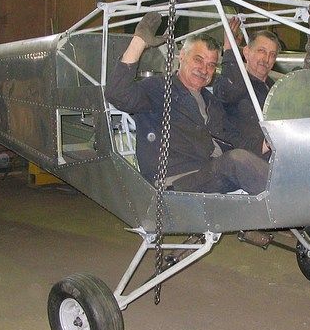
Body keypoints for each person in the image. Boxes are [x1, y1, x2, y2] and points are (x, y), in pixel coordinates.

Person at [104, 12, 269, 195]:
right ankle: (289, 203)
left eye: (211, 65)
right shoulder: (159, 88)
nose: (204, 69)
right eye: (198, 60)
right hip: (176, 180)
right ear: (182, 56)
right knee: (236, 160)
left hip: (209, 173)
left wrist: (268, 144)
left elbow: (233, 138)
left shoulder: (211, 102)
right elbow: (116, 93)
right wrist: (139, 41)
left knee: (269, 157)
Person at [213, 18, 281, 158]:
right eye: (261, 51)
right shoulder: (234, 83)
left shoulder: (276, 89)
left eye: (272, 54)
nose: (266, 59)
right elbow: (228, 91)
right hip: (246, 159)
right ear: (246, 52)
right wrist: (230, 50)